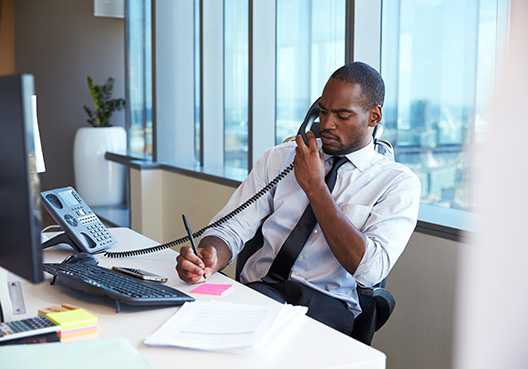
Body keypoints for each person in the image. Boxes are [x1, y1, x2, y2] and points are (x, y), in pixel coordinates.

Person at [176, 61, 421, 335]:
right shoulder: (281, 158)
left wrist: (315, 187)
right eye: (324, 111)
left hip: (329, 306)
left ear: (374, 117)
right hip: (263, 292)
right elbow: (230, 227)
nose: (327, 124)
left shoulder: (397, 182)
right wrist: (210, 257)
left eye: (342, 115)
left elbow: (370, 270)